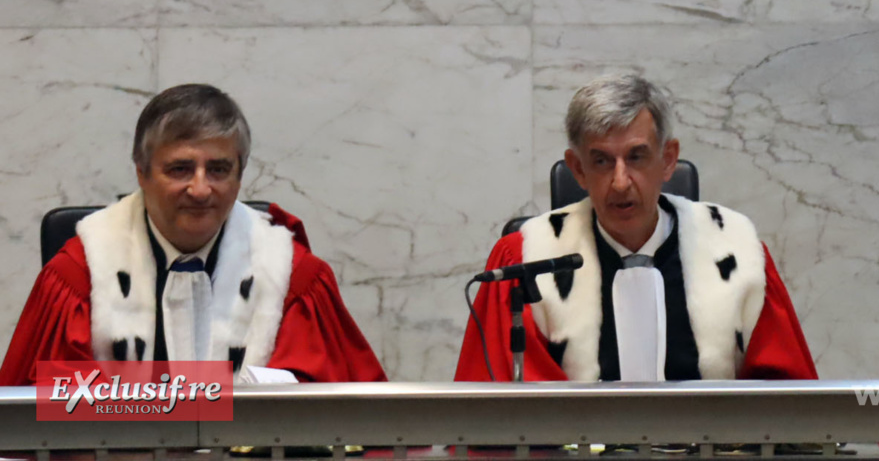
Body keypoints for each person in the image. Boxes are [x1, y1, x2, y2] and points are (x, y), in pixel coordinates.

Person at [0, 84, 386, 385]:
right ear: (142, 172)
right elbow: (41, 418)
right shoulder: (79, 275)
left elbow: (343, 421)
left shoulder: (292, 278)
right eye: (180, 169)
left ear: (240, 174)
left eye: (218, 169)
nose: (201, 190)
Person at [456, 74, 817, 381]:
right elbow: (497, 420)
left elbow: (787, 409)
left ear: (668, 159)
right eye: (600, 161)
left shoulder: (737, 252)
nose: (620, 182)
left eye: (636, 157)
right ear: (577, 169)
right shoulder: (526, 263)